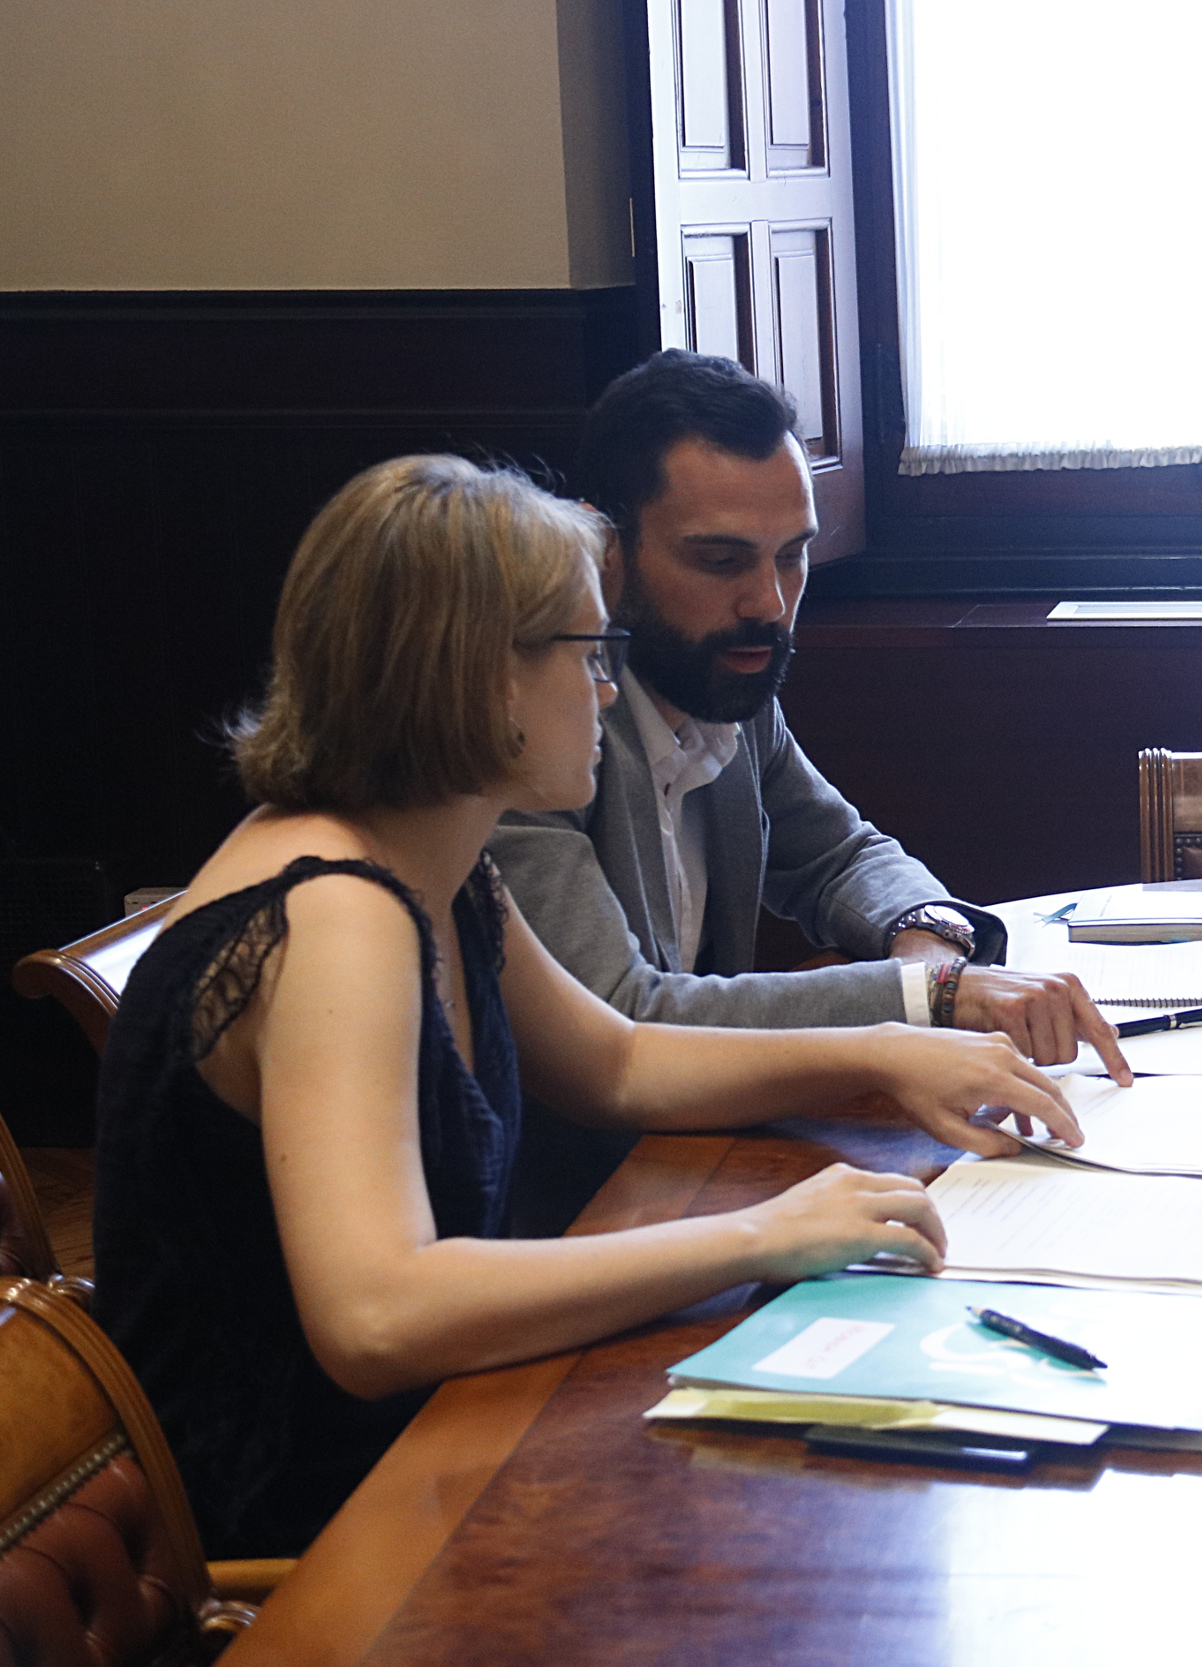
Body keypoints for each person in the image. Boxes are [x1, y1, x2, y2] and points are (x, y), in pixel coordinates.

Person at [91, 455, 1082, 1558]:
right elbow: (377, 1314)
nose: (611, 688)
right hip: (321, 1536)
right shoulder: (335, 911)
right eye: (589, 649)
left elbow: (614, 1061)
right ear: (476, 673)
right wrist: (762, 1231)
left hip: (432, 1448)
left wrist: (889, 1047)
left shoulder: (437, 858)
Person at [491, 351, 1128, 1230]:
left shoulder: (730, 685)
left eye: (792, 557)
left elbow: (840, 855)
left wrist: (930, 939)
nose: (769, 602)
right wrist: (926, 1001)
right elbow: (626, 1021)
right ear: (603, 551)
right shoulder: (527, 729)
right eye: (720, 560)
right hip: (557, 1222)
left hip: (693, 1178)